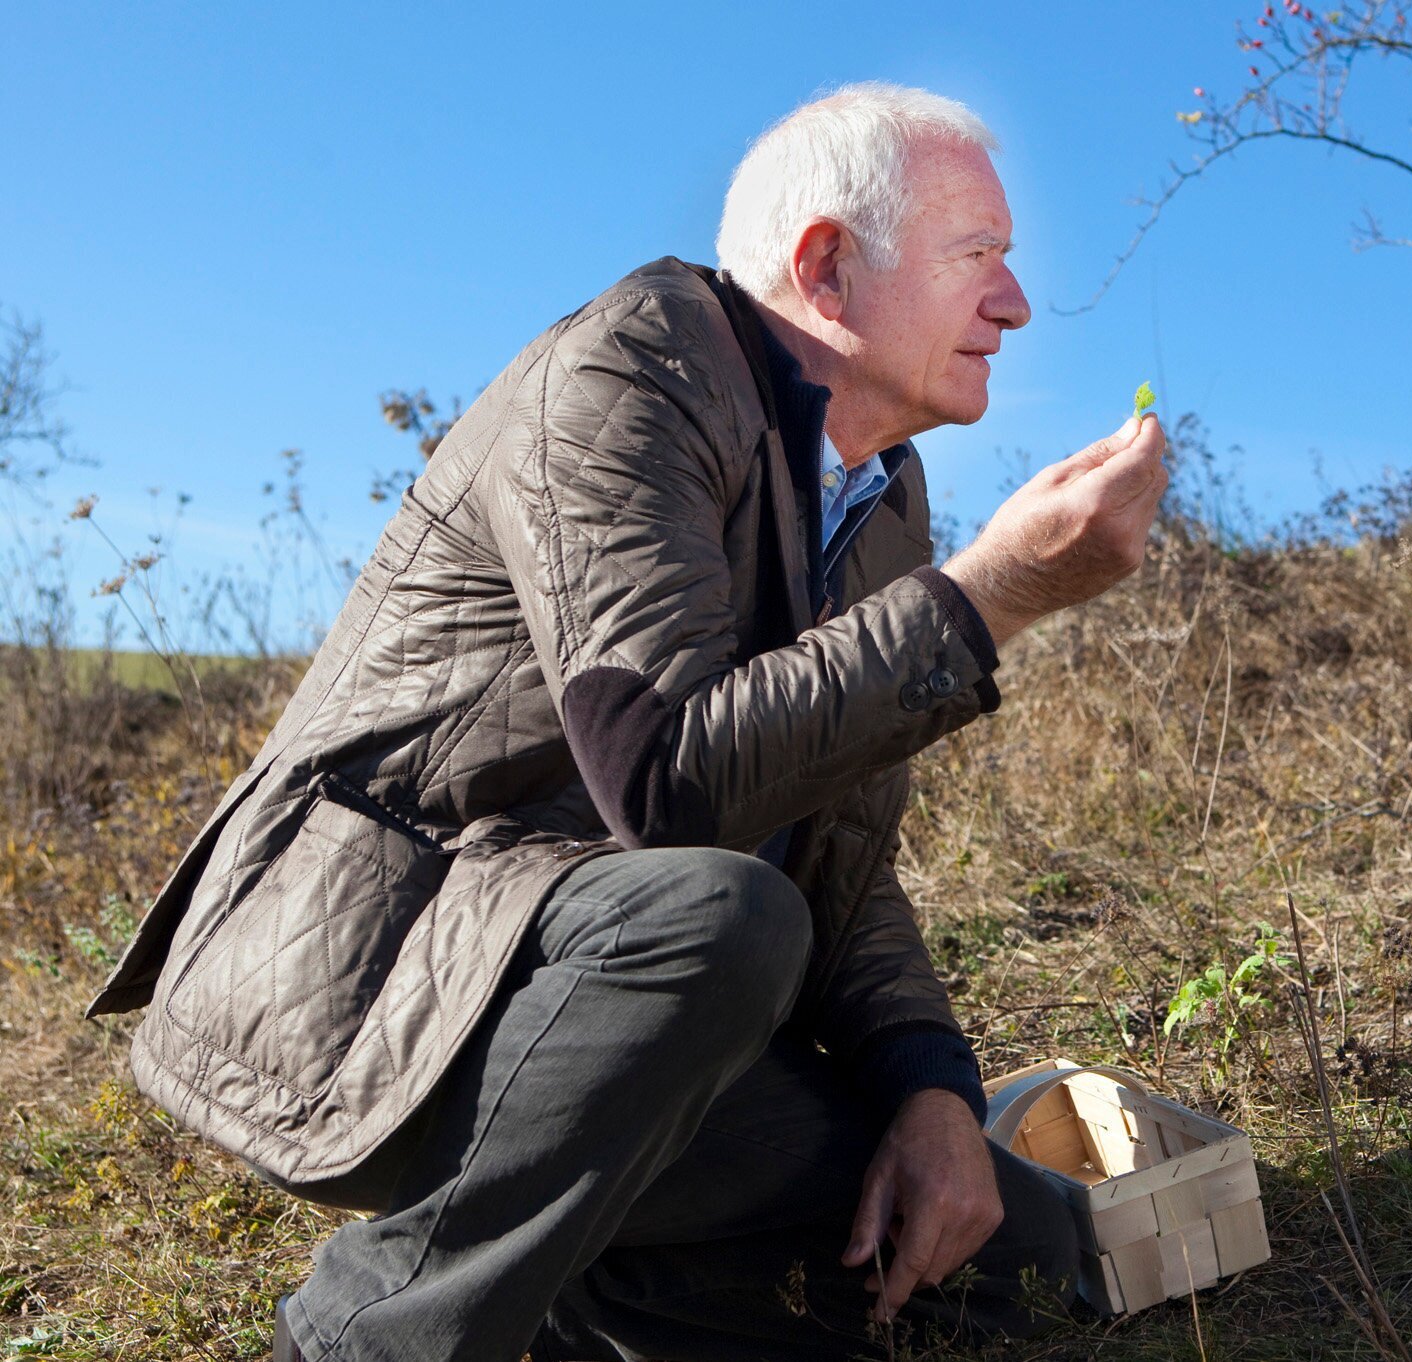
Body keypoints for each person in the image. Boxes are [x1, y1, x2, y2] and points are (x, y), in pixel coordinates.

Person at [87, 83, 1168, 1361]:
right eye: (978, 258)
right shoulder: (632, 370)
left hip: (620, 1021)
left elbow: (836, 853)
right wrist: (993, 593)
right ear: (826, 267)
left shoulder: (878, 495)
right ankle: (362, 1337)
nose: (1015, 305)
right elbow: (667, 786)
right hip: (375, 989)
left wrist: (931, 1088)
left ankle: (574, 1291)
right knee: (723, 912)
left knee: (1014, 1259)